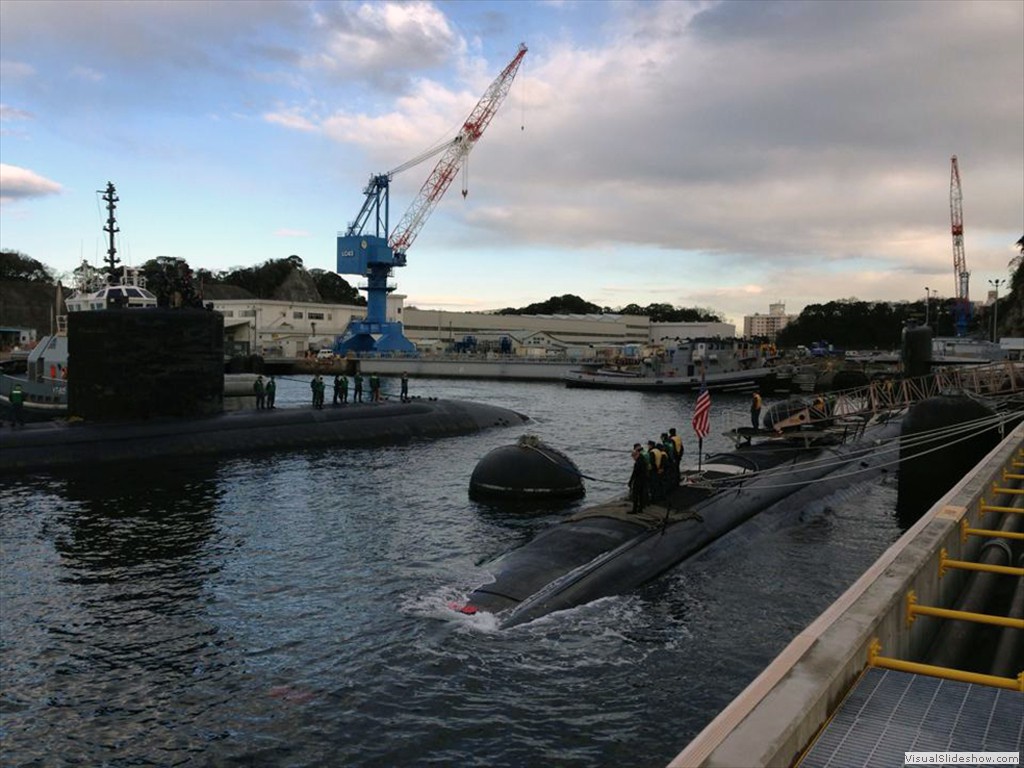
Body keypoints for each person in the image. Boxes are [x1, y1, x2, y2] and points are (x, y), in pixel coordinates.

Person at [628, 443, 647, 514]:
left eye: (633, 457)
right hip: (644, 479)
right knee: (641, 495)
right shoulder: (643, 459)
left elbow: (634, 473)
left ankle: (634, 510)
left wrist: (630, 482)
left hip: (638, 480)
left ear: (636, 455)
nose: (633, 459)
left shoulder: (638, 463)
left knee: (635, 495)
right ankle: (640, 508)